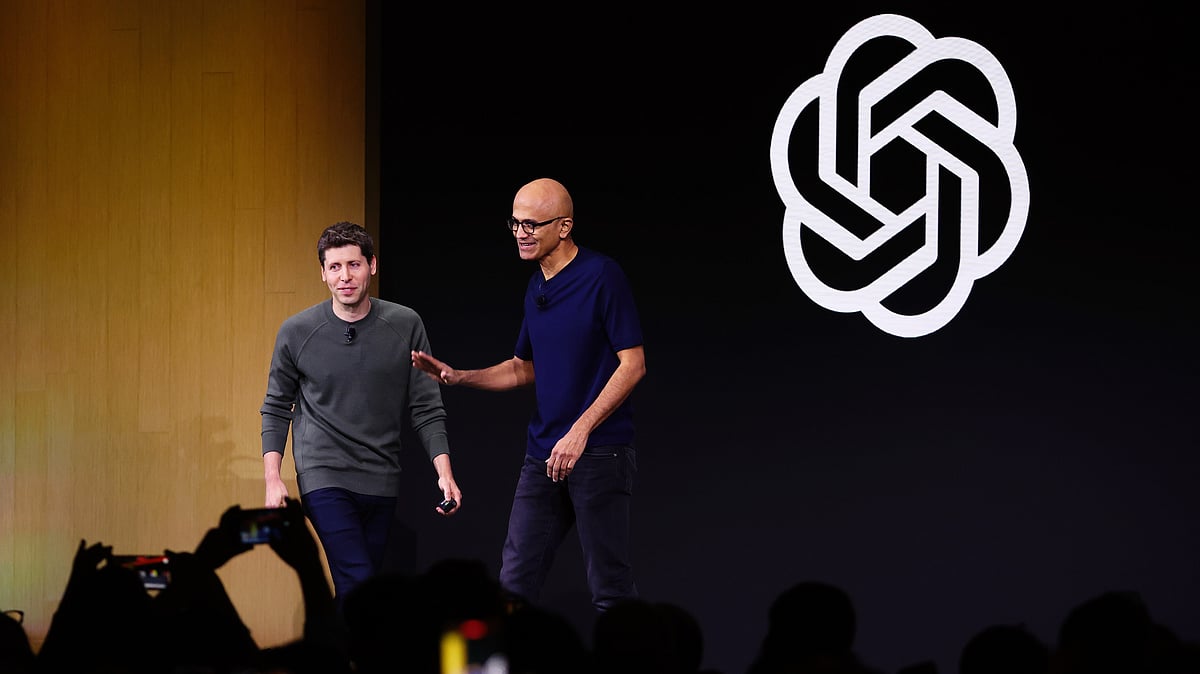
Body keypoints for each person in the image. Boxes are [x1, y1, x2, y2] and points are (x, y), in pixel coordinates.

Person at [412, 177, 646, 613]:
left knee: (610, 588)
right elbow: (523, 368)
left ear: (564, 226)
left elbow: (633, 364)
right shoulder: (536, 285)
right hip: (543, 454)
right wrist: (459, 377)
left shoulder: (601, 276)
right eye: (515, 223)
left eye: (532, 224)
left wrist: (580, 431)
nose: (520, 233)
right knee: (514, 583)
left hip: (599, 452)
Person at [261, 220, 462, 607]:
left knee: (359, 591)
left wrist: (445, 473)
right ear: (322, 273)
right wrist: (273, 478)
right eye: (335, 267)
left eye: (353, 265)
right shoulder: (297, 331)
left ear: (372, 265)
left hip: (381, 476)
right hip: (323, 474)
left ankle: (340, 641)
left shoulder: (405, 324)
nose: (345, 277)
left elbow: (426, 405)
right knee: (358, 581)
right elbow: (276, 406)